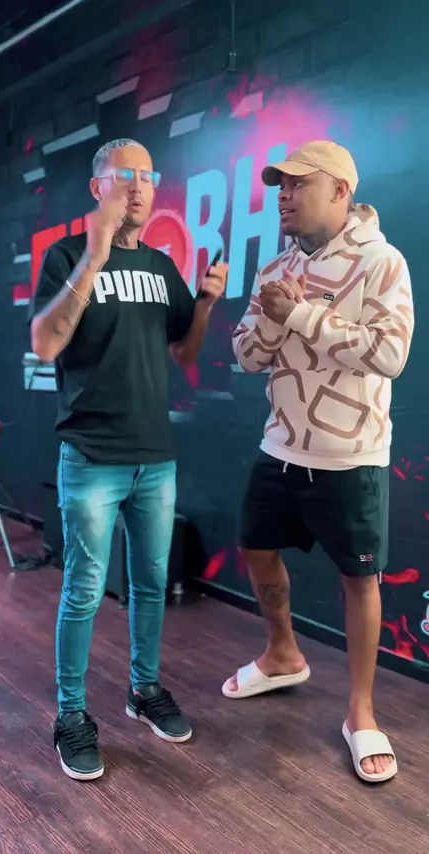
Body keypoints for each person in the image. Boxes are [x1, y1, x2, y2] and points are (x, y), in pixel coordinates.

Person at [29, 138, 227, 781]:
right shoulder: (67, 256)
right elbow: (45, 344)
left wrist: (204, 304)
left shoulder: (161, 265)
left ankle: (144, 691)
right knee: (85, 589)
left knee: (149, 583)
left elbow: (184, 354)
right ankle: (70, 716)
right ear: (99, 188)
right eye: (125, 176)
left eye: (147, 176)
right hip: (91, 455)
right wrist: (94, 255)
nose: (139, 186)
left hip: (154, 458)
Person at [226, 141, 413, 784]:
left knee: (360, 579)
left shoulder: (383, 261)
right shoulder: (276, 267)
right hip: (280, 444)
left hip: (352, 455)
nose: (283, 195)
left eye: (298, 184)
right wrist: (276, 318)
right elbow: (246, 356)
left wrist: (302, 314)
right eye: (279, 185)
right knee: (255, 548)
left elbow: (390, 354)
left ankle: (361, 713)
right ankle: (282, 653)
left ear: (339, 190)